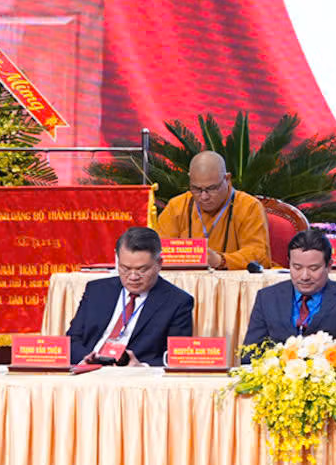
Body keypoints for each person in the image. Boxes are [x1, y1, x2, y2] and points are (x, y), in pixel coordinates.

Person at [65, 226, 195, 367]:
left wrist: (142, 367)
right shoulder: (96, 290)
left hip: (135, 374)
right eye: (125, 268)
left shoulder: (178, 302)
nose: (133, 277)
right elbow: (72, 340)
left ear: (159, 264)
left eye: (142, 270)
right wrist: (85, 360)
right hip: (88, 370)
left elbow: (175, 357)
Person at [243, 229, 336, 353]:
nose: (304, 276)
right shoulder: (267, 298)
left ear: (329, 266)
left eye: (313, 268)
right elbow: (249, 354)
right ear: (289, 264)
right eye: (297, 267)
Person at [153, 151, 272, 271]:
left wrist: (220, 260)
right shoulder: (177, 206)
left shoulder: (249, 207)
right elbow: (157, 252)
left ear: (227, 179)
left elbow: (259, 255)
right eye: (196, 189)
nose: (204, 197)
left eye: (212, 188)